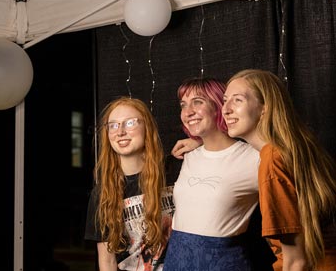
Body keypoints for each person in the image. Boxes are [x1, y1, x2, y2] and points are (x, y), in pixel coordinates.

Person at [221, 69, 336, 271]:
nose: (226, 109)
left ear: (264, 108)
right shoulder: (296, 147)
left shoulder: (273, 160)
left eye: (237, 100)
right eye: (225, 100)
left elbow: (297, 261)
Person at [164, 77, 274, 270]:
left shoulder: (255, 158)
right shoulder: (188, 155)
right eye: (183, 105)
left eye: (198, 102)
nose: (188, 112)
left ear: (219, 105)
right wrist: (199, 141)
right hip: (177, 261)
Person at [84, 96, 174, 271]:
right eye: (114, 125)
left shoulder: (175, 170)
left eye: (130, 123)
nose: (120, 132)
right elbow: (108, 261)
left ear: (147, 127)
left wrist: (198, 142)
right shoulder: (102, 194)